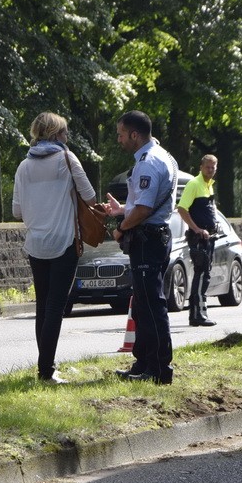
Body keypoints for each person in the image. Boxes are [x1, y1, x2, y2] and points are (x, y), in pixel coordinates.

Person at [13, 112, 96, 384]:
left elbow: (17, 211)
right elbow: (90, 195)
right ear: (56, 134)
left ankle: (45, 366)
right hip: (63, 243)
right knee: (55, 308)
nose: (67, 137)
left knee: (42, 306)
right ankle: (46, 371)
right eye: (65, 132)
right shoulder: (66, 159)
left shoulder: (23, 166)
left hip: (36, 244)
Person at [104, 111, 177, 384]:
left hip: (147, 238)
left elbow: (145, 209)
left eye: (121, 134)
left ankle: (158, 369)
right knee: (145, 305)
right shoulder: (164, 155)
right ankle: (144, 363)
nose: (119, 139)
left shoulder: (148, 163)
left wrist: (121, 226)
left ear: (135, 135)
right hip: (155, 237)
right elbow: (146, 203)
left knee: (151, 304)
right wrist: (122, 209)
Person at [177, 154, 219, 327]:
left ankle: (197, 314)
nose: (210, 170)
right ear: (201, 167)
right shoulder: (194, 184)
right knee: (202, 274)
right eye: (208, 167)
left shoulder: (209, 186)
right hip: (198, 238)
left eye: (213, 167)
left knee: (204, 274)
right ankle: (198, 314)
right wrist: (197, 229)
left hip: (209, 237)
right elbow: (181, 209)